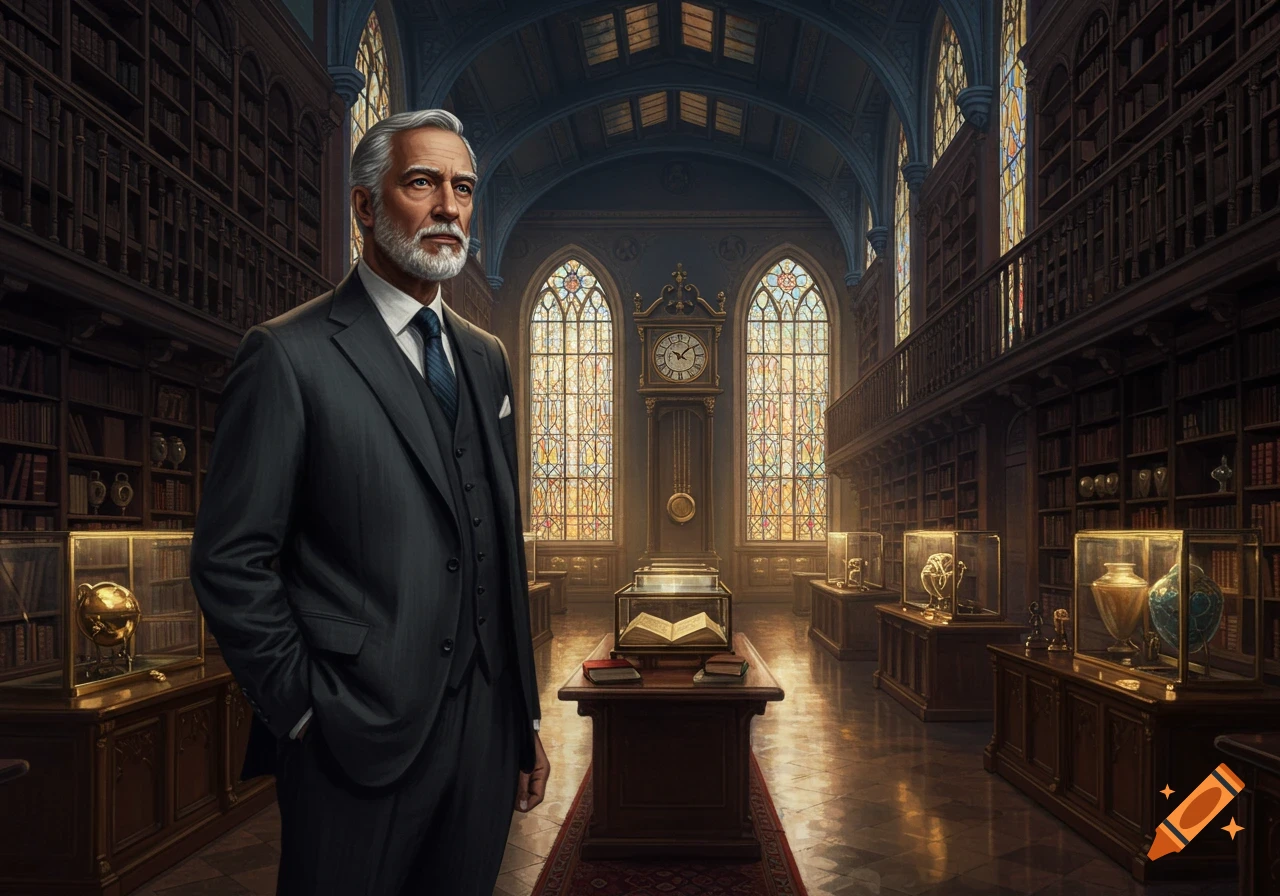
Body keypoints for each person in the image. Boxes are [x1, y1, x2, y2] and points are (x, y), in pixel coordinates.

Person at [191, 108, 550, 896]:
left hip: (484, 737)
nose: (449, 207)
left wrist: (520, 720)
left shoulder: (486, 360)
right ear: (364, 205)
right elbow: (230, 561)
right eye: (422, 183)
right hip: (352, 736)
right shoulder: (288, 355)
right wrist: (305, 713)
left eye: (463, 188)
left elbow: (497, 541)